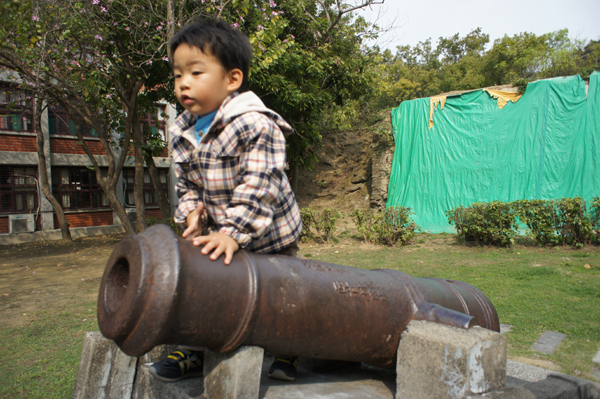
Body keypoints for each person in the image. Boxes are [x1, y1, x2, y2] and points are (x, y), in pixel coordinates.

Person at [148, 19, 302, 383]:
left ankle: (291, 348)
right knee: (209, 289)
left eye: (196, 72)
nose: (183, 82)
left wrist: (234, 231)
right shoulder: (182, 130)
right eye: (177, 75)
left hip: (270, 234)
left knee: (284, 295)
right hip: (221, 233)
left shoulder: (256, 124)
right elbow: (185, 183)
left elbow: (260, 184)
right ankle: (198, 347)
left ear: (231, 79)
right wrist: (191, 214)